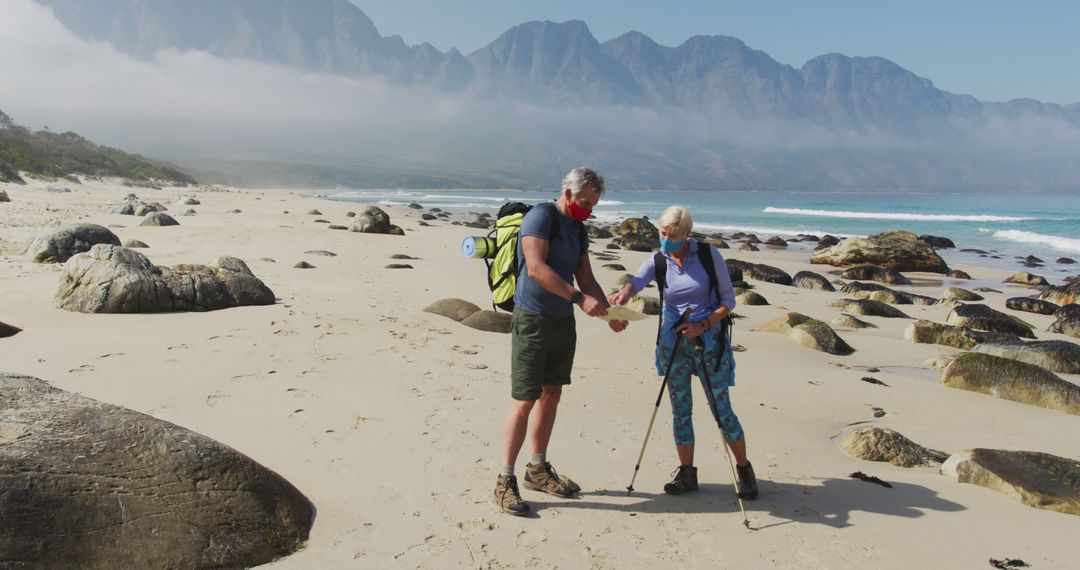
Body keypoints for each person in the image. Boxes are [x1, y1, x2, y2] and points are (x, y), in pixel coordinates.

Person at [493, 167, 628, 516]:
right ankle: (505, 481)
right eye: (585, 202)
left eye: (594, 205)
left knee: (552, 393)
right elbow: (536, 268)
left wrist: (608, 313)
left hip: (561, 321)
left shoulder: (578, 229)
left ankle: (537, 470)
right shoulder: (542, 216)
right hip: (533, 319)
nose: (589, 210)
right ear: (567, 193)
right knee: (524, 399)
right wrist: (579, 299)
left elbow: (586, 277)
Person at [608, 205, 758, 499]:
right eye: (663, 234)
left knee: (721, 410)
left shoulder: (707, 255)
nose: (666, 240)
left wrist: (703, 324)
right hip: (672, 343)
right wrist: (622, 296)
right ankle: (686, 473)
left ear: (687, 235)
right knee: (680, 410)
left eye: (673, 236)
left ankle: (744, 470)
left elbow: (728, 301)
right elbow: (637, 282)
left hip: (708, 343)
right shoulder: (659, 259)